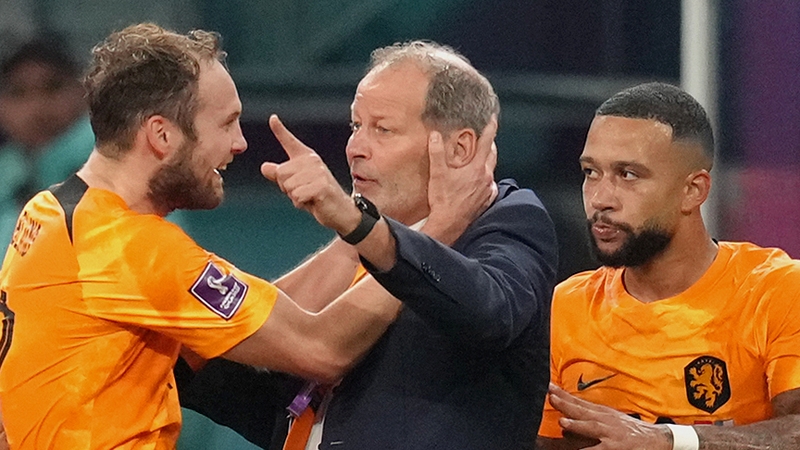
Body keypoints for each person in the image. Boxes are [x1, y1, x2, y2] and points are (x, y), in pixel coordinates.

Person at [0, 24, 494, 449]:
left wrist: (357, 226)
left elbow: (270, 318)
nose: (239, 143)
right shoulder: (132, 251)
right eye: (227, 123)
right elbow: (320, 348)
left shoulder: (54, 210)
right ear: (162, 135)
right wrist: (440, 228)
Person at [260, 41, 559, 450]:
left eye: (382, 129)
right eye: (355, 126)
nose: (355, 148)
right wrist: (357, 232)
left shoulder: (509, 219)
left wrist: (360, 224)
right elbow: (268, 334)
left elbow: (489, 313)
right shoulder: (369, 237)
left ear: (459, 148)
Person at [537, 82, 800, 450]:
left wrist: (671, 440)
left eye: (628, 175)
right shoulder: (566, 306)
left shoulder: (776, 289)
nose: (600, 198)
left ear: (693, 190)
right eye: (591, 172)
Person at [0, 36, 94, 254]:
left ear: (84, 90)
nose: (37, 107)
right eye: (18, 93)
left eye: (53, 87)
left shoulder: (121, 163)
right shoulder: (7, 178)